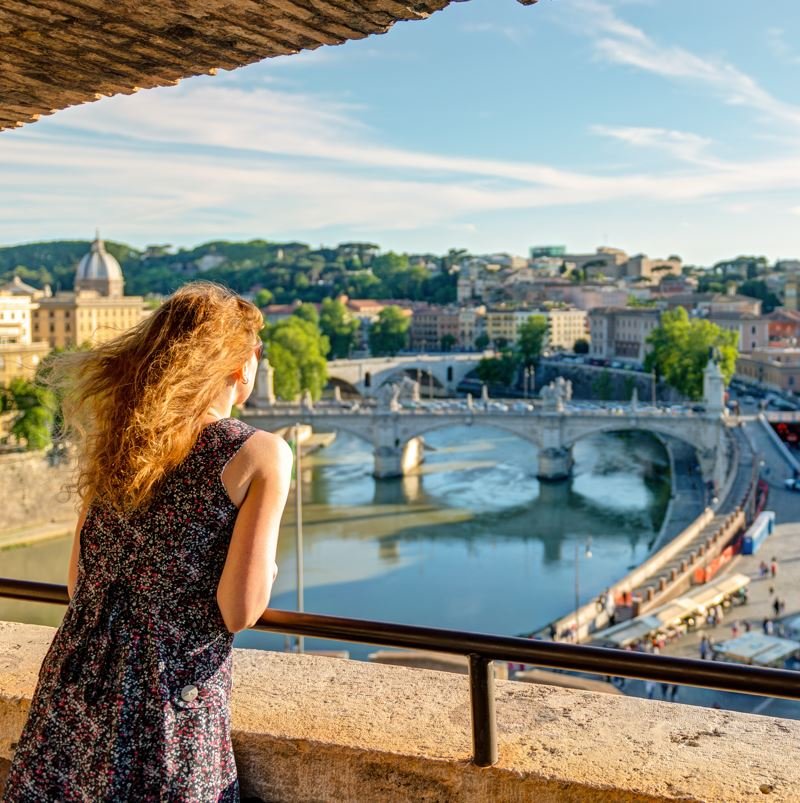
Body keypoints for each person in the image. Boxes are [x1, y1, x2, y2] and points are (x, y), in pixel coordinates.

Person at [3, 282, 294, 802]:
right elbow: (238, 610)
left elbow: (78, 584)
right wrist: (265, 572)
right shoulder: (260, 453)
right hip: (168, 703)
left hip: (73, 689)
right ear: (241, 365)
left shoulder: (119, 442)